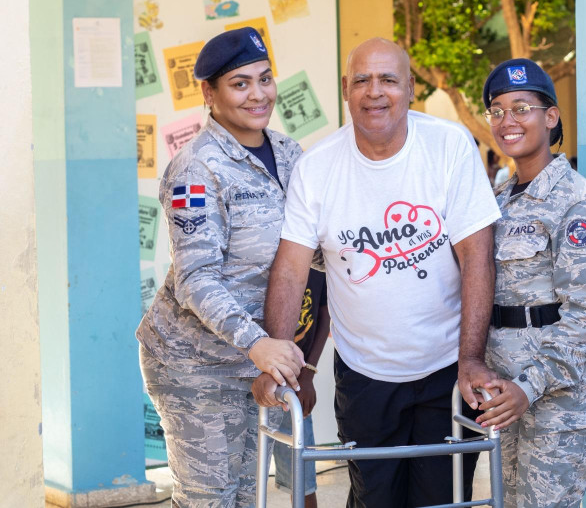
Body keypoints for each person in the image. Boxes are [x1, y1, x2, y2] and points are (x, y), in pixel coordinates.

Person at [252, 37, 501, 508]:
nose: (375, 91)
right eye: (362, 80)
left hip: (446, 367)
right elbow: (291, 272)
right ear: (346, 89)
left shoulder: (448, 147)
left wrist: (471, 357)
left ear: (409, 88)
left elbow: (477, 258)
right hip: (365, 374)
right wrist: (280, 363)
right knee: (373, 500)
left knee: (442, 500)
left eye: (388, 79)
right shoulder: (317, 167)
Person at [136, 27, 305, 507]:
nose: (258, 94)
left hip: (257, 360)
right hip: (194, 364)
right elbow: (195, 279)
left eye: (265, 79)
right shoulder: (196, 168)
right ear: (209, 94)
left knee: (250, 496)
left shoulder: (290, 154)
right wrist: (260, 345)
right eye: (240, 83)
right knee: (210, 498)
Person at [474, 58, 586, 507]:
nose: (507, 121)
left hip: (555, 397)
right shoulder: (496, 201)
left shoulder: (578, 199)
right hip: (502, 391)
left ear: (550, 117)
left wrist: (528, 387)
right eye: (497, 110)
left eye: (521, 108)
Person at [272, 269, 330, 508]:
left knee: (302, 477)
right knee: (246, 475)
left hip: (294, 380)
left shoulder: (316, 259)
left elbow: (325, 315)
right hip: (252, 376)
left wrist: (308, 374)